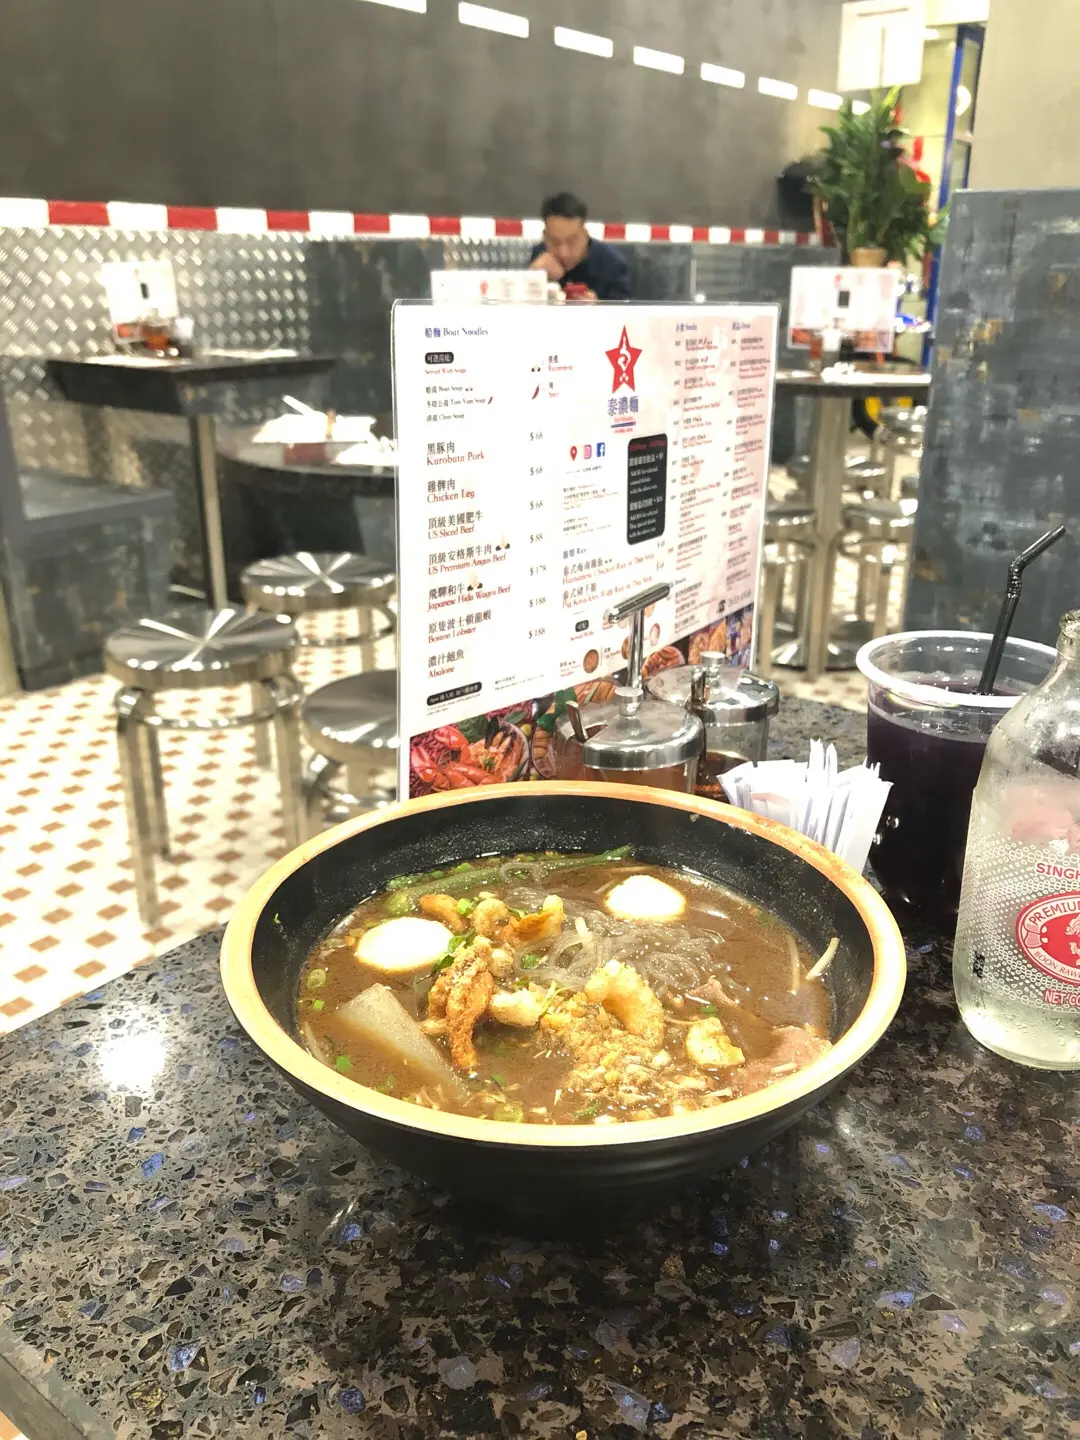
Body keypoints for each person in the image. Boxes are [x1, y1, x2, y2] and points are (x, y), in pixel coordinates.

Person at [529, 192, 632, 302]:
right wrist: (532, 278)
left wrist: (598, 307)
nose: (564, 253)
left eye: (572, 242)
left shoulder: (612, 263)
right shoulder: (540, 255)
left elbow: (626, 309)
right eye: (555, 242)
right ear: (545, 237)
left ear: (585, 234)